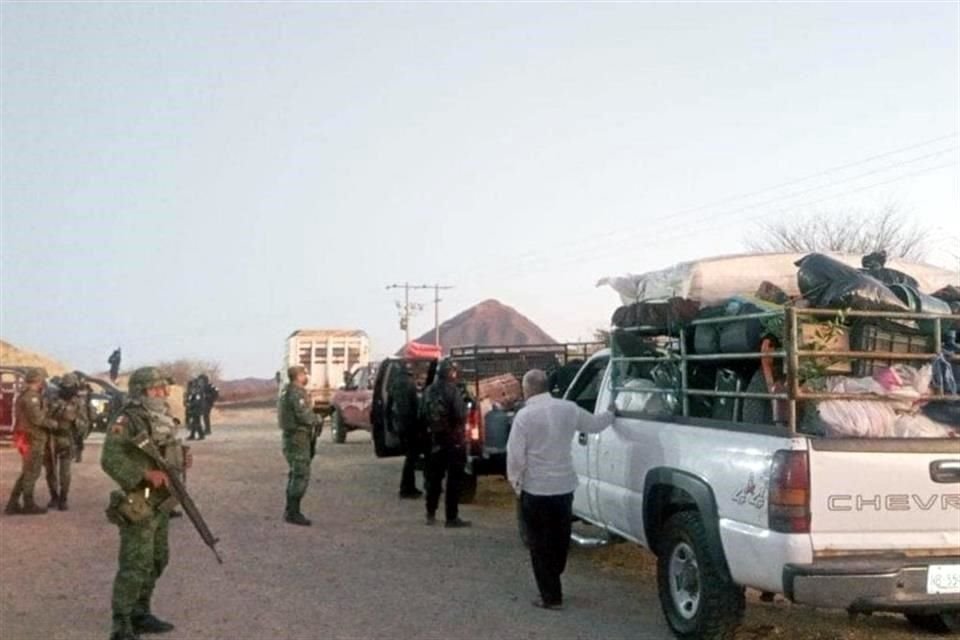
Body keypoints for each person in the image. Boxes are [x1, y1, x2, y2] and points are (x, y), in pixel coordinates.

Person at [506, 369, 615, 610]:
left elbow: (515, 456)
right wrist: (613, 412)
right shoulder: (568, 409)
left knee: (538, 543)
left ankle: (550, 595)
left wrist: (516, 483)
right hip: (564, 487)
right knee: (559, 537)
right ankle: (556, 571)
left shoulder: (524, 417)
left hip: (536, 489)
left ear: (527, 389)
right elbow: (596, 425)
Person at [101, 367, 188, 640]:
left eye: (164, 389)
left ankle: (141, 612)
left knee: (158, 559)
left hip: (163, 500)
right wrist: (143, 475)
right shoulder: (128, 420)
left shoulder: (162, 418)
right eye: (155, 389)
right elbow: (110, 458)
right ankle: (122, 622)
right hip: (140, 499)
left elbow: (166, 451)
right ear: (140, 392)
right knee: (135, 563)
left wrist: (180, 458)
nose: (162, 393)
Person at [421, 358, 470, 528]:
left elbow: (421, 414)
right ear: (450, 372)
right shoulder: (453, 390)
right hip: (452, 441)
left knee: (434, 479)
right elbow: (460, 414)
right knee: (454, 480)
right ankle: (451, 517)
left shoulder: (428, 390)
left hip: (433, 441)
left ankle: (430, 513)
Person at [4, 368, 58, 515]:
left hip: (31, 438)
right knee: (31, 472)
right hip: (33, 438)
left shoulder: (29, 395)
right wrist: (53, 423)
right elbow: (37, 419)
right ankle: (28, 504)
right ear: (37, 381)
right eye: (42, 380)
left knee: (27, 472)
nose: (44, 383)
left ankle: (13, 503)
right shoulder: (31, 397)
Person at [278, 365, 321, 526]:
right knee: (300, 474)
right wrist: (318, 419)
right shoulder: (296, 393)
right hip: (298, 437)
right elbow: (303, 414)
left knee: (295, 473)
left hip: (293, 437)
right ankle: (293, 512)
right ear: (299, 376)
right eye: (305, 374)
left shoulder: (287, 391)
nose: (307, 377)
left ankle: (291, 510)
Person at [44, 372, 91, 511]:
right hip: (51, 438)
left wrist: (74, 420)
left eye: (69, 386)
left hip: (67, 439)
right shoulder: (52, 399)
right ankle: (54, 497)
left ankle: (63, 498)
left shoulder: (79, 402)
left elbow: (85, 424)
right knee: (50, 471)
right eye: (65, 386)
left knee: (65, 472)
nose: (67, 389)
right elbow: (43, 417)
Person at [390, 362, 423, 498]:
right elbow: (415, 405)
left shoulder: (394, 384)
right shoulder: (409, 384)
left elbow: (390, 406)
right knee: (411, 458)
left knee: (409, 457)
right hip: (410, 424)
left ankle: (409, 487)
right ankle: (407, 489)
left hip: (400, 424)